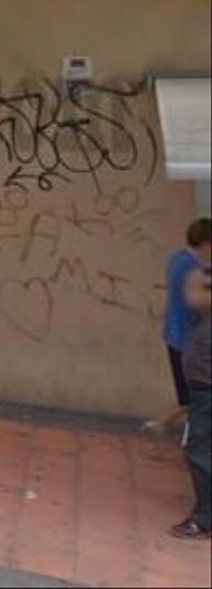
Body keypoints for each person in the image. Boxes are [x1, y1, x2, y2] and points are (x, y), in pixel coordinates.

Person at [151, 219, 212, 437]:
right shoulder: (193, 268)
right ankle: (164, 425)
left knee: (190, 394)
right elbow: (197, 302)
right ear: (206, 243)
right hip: (187, 340)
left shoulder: (176, 259)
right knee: (194, 396)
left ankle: (162, 425)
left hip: (174, 335)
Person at [171, 251, 212, 540]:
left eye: (193, 287)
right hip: (201, 392)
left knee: (199, 451)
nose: (187, 293)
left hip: (206, 394)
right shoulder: (203, 320)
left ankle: (204, 518)